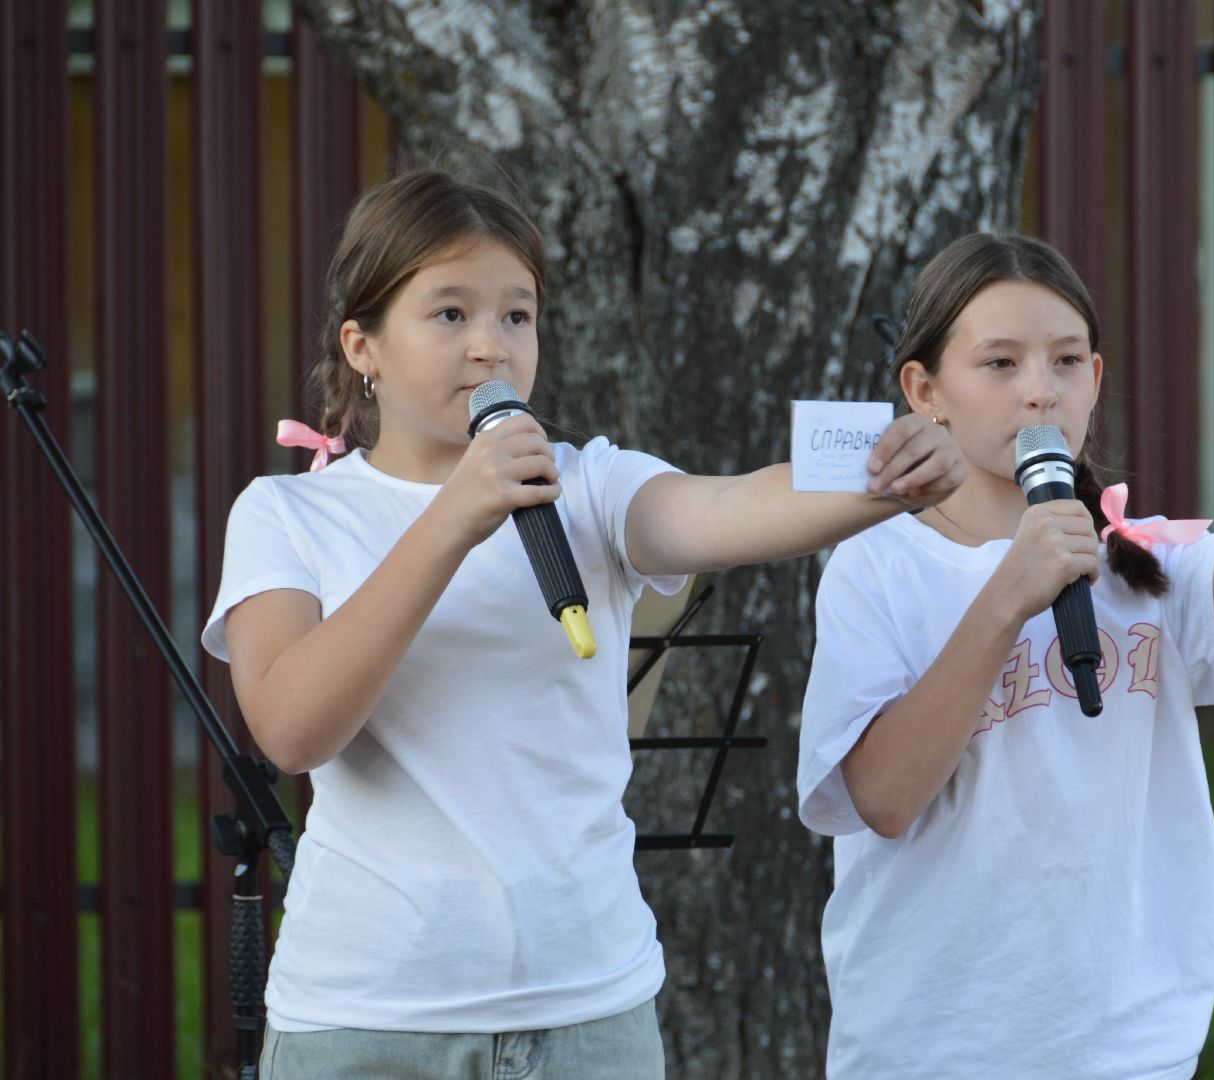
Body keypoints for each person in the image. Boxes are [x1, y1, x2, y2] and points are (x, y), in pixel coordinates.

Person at [201, 169, 964, 1079]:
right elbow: (291, 727)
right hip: (369, 1016)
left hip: (589, 1008)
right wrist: (451, 518)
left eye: (517, 316)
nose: (491, 347)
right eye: (450, 315)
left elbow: (731, 508)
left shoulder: (591, 482)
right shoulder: (288, 516)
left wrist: (884, 474)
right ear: (361, 345)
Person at [795, 233, 1214, 1079]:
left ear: (1096, 379)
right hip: (941, 1040)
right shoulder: (880, 566)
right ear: (924, 390)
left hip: (1130, 1040)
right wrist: (1008, 596)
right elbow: (885, 799)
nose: (1039, 393)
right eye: (1001, 364)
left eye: (1065, 361)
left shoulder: (1139, 558)